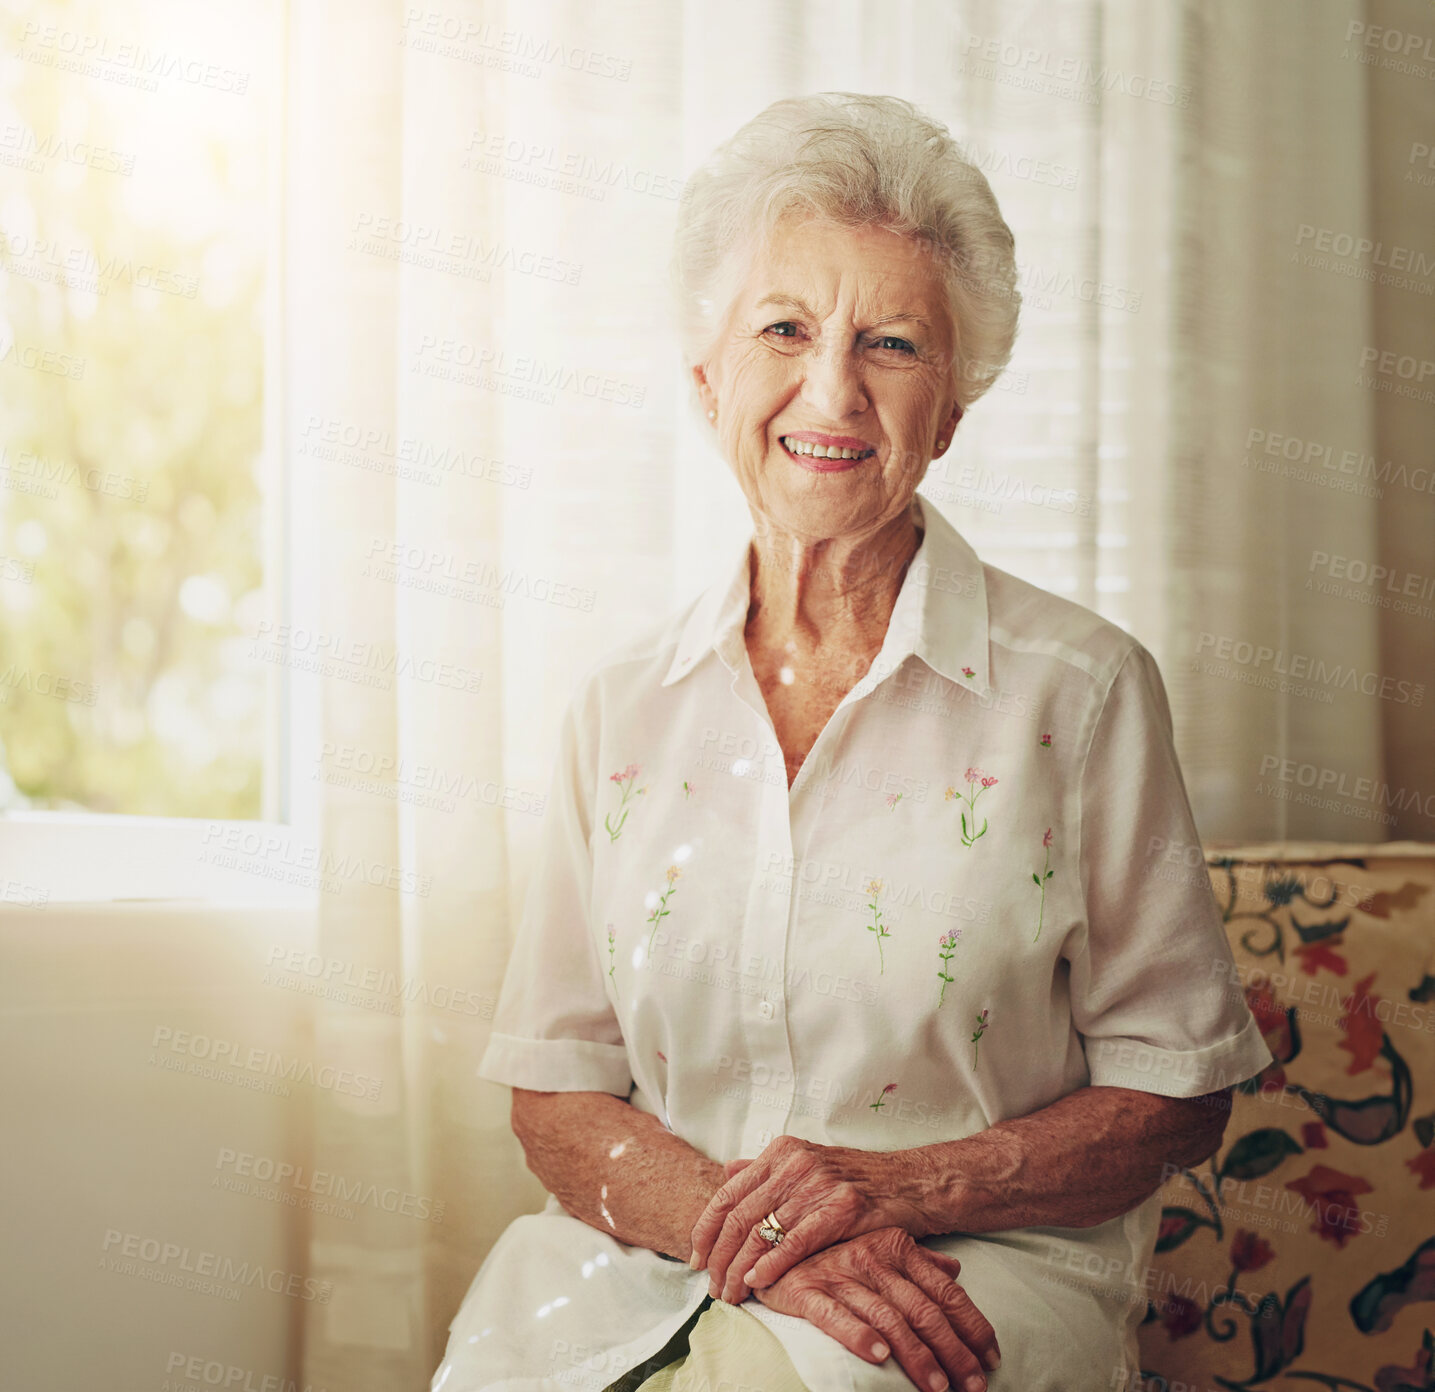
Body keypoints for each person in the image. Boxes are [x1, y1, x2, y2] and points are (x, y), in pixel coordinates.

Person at [431, 92, 1271, 1392]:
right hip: (648, 1262)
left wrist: (895, 1189)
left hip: (971, 1274)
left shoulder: (1083, 694)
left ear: (951, 410)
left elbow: (1180, 1089)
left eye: (890, 343)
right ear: (709, 377)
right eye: (784, 329)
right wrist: (757, 1232)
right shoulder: (620, 708)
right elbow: (556, 1088)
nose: (832, 389)